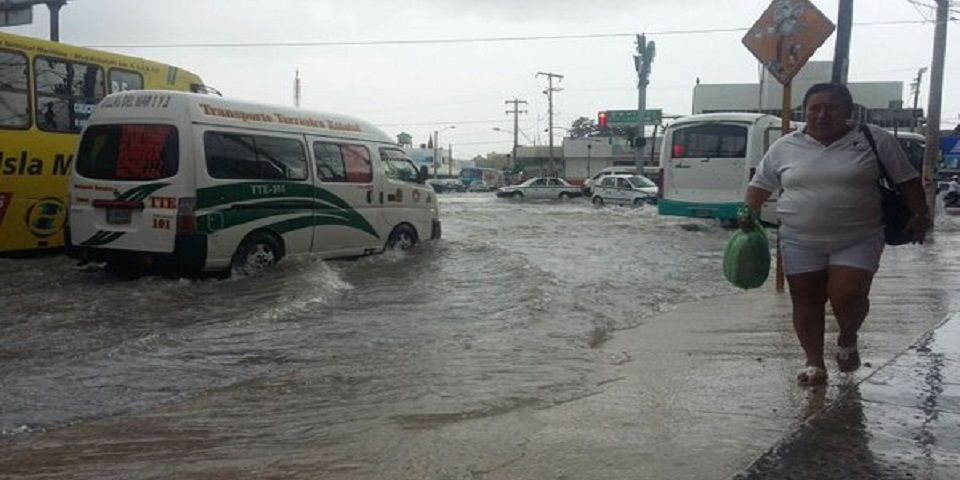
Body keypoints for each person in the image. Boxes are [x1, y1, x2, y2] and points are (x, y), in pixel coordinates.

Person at [741, 83, 929, 386]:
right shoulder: (786, 146)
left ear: (848, 111)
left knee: (848, 295)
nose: (822, 114)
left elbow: (907, 180)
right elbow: (760, 184)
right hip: (799, 238)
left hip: (859, 236)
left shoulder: (873, 139)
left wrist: (920, 215)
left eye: (832, 107)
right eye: (814, 108)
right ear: (805, 111)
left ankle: (847, 336)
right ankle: (814, 362)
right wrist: (747, 214)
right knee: (805, 299)